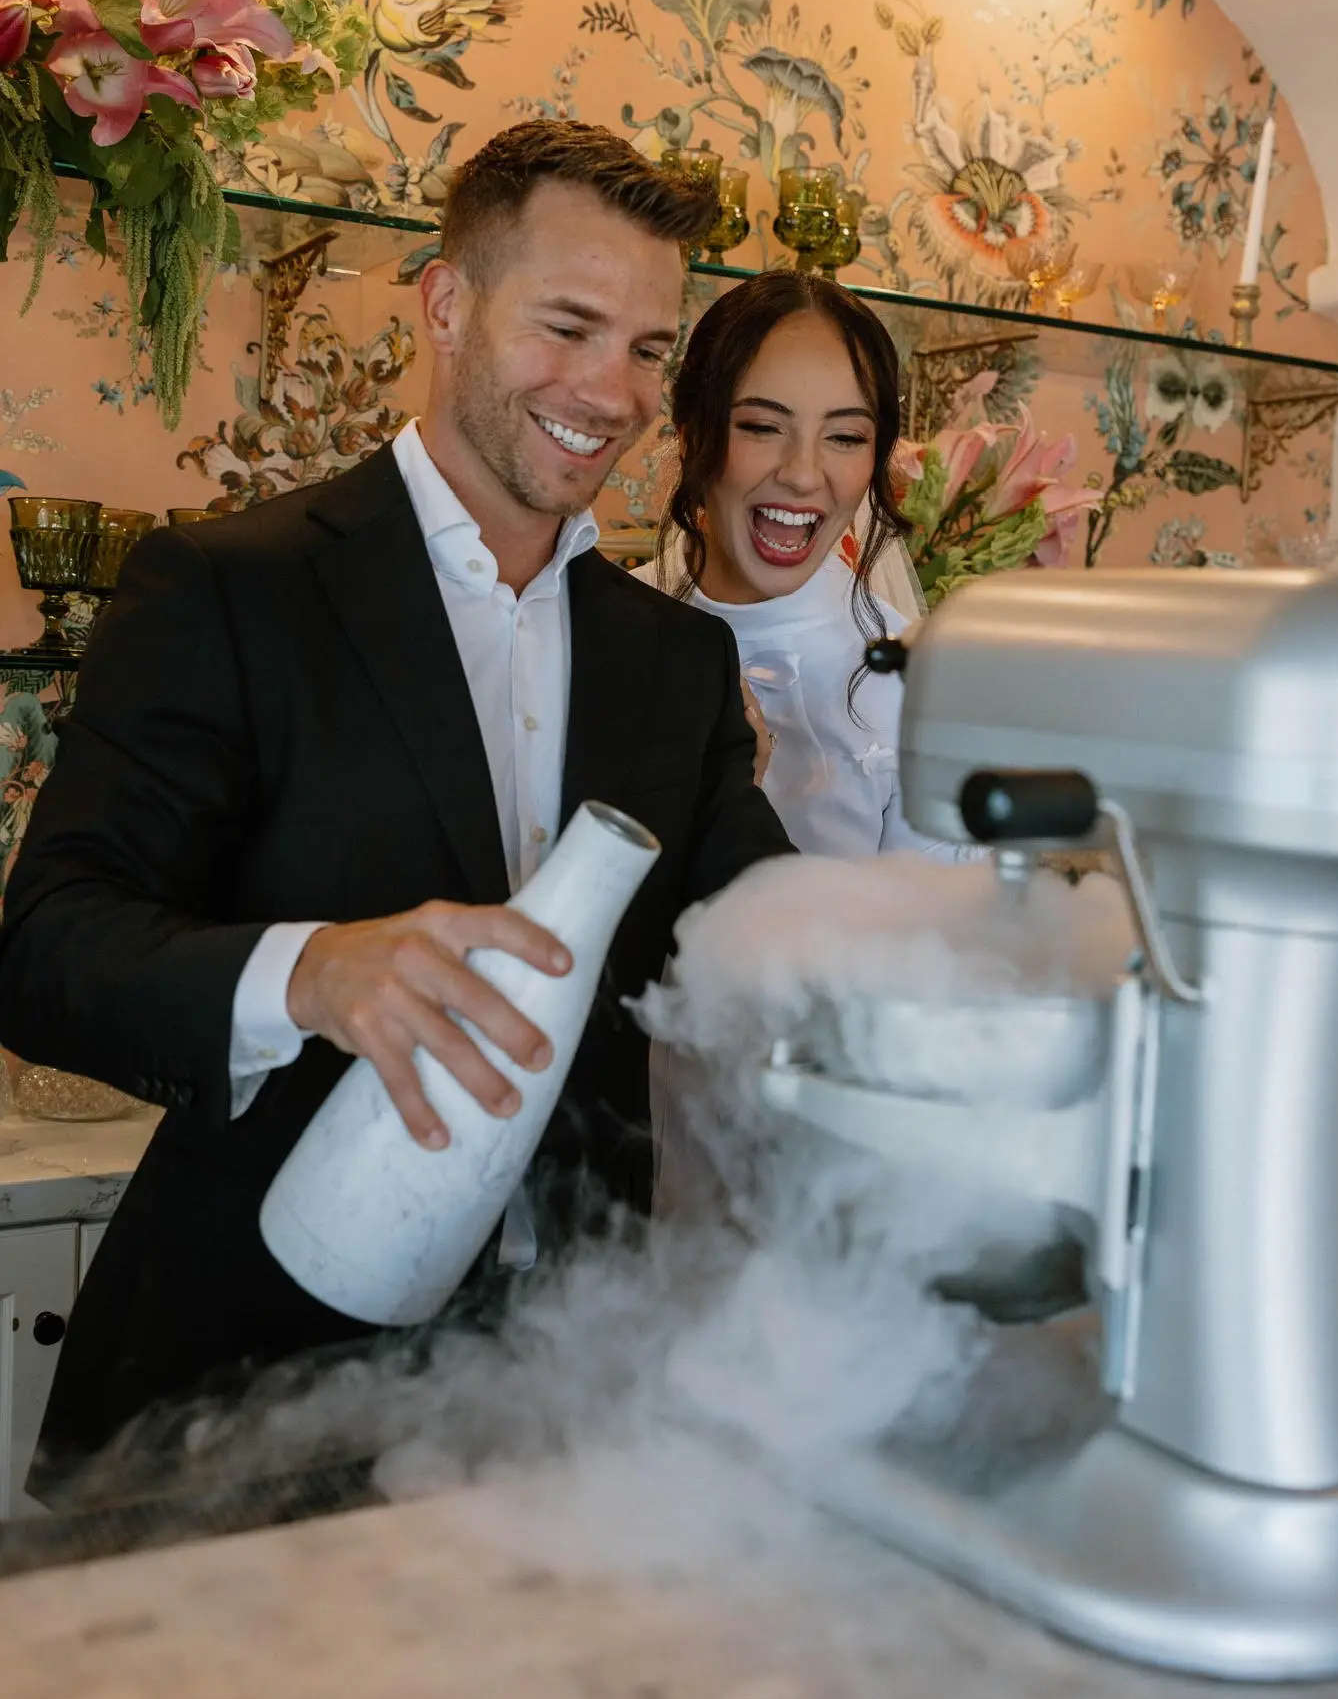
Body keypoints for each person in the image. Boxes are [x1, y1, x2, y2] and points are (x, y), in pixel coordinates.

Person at [0, 120, 793, 1497]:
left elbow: (771, 943)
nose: (611, 391)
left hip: (557, 1404)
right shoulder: (232, 590)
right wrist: (311, 971)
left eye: (649, 349)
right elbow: (49, 948)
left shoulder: (677, 662)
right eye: (568, 326)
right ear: (445, 303)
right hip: (237, 1399)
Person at [639, 270, 941, 860]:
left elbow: (936, 940)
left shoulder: (919, 687)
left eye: (846, 437)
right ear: (691, 433)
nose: (803, 474)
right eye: (762, 426)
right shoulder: (599, 637)